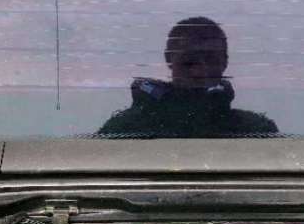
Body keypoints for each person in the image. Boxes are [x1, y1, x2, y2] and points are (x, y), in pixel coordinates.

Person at [98, 16, 278, 137]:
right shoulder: (124, 131)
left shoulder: (256, 132)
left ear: (224, 63)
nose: (199, 71)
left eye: (211, 60)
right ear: (169, 59)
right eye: (189, 62)